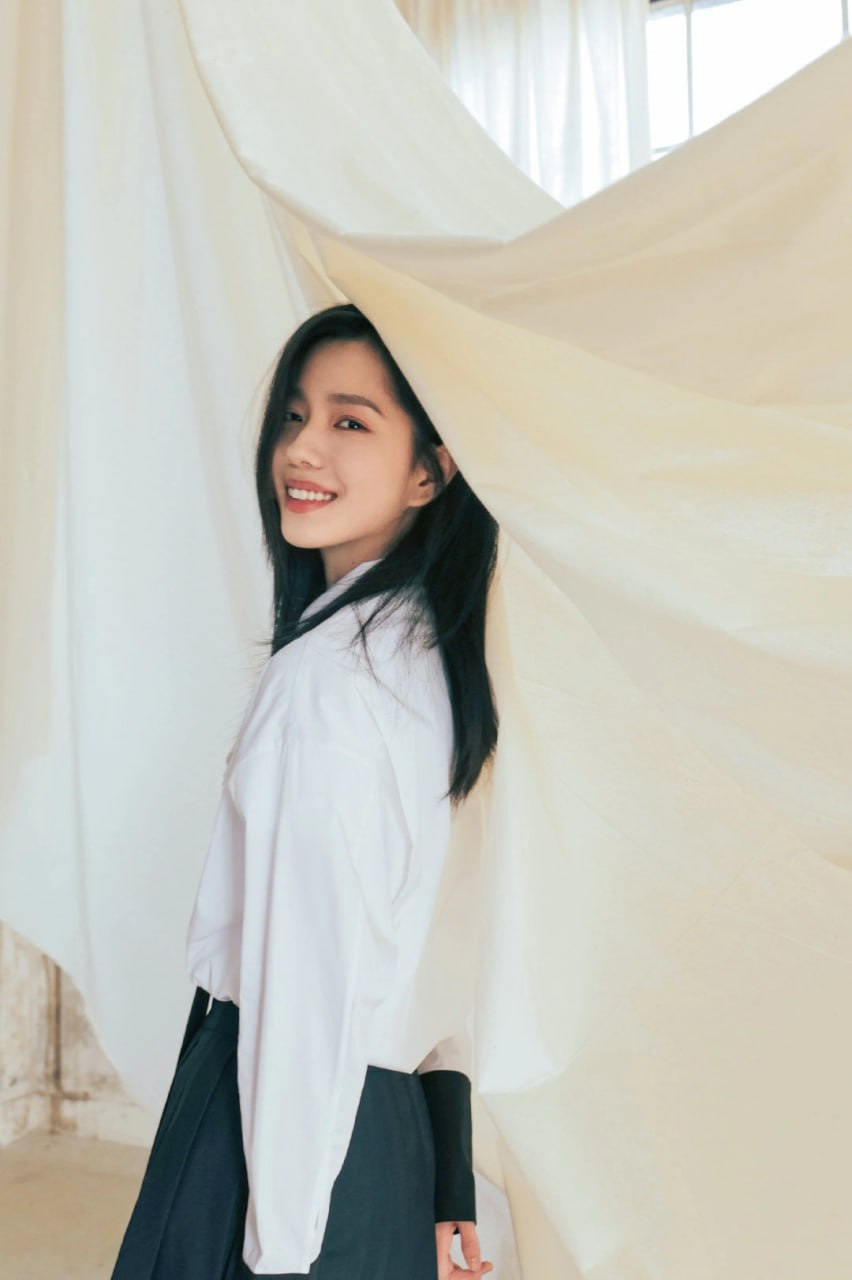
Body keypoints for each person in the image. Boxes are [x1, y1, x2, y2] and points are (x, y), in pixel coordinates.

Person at [110, 303, 498, 1279]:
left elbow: (303, 999)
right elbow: (451, 944)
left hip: (278, 1145)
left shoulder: (323, 685)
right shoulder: (445, 658)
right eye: (293, 415)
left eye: (349, 420)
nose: (302, 449)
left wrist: (279, 1251)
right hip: (394, 1139)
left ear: (431, 470)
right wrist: (448, 1174)